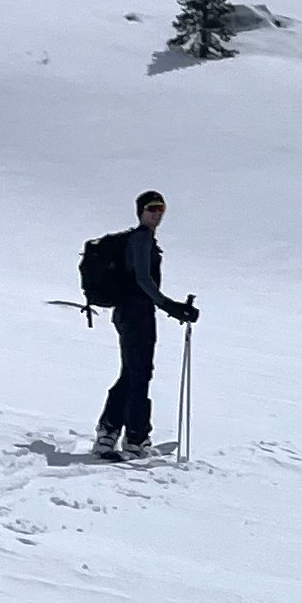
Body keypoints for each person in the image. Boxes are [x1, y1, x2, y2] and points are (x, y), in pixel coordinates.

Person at [93, 188, 197, 458]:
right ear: (140, 212)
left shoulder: (145, 240)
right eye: (151, 209)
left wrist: (167, 306)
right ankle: (134, 437)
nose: (157, 214)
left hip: (133, 313)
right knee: (139, 373)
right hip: (135, 314)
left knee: (133, 371)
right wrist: (169, 305)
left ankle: (112, 431)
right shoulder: (141, 239)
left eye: (161, 209)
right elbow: (142, 278)